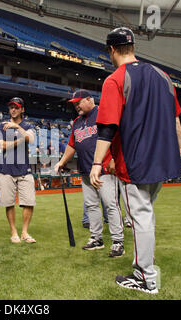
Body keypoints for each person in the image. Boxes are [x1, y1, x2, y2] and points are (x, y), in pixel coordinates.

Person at [89, 27, 181, 294]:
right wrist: (180, 151)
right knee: (146, 216)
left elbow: (108, 127)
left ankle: (147, 277)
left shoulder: (115, 79)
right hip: (162, 160)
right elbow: (175, 120)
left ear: (111, 50)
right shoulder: (163, 76)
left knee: (141, 218)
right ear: (132, 46)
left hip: (134, 161)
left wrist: (97, 163)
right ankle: (143, 267)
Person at [54, 89, 124, 257]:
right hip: (86, 170)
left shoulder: (103, 113)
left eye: (79, 102)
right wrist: (62, 162)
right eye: (74, 104)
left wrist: (115, 158)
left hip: (105, 169)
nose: (76, 106)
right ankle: (96, 238)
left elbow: (118, 136)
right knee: (92, 206)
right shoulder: (77, 122)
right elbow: (72, 145)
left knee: (111, 204)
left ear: (89, 99)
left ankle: (118, 241)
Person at [0, 97, 36, 244]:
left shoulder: (26, 125)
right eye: (11, 107)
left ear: (22, 110)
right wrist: (20, 140)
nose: (13, 110)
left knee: (29, 202)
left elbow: (31, 139)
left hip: (24, 169)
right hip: (6, 169)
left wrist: (17, 128)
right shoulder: (2, 125)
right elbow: (2, 146)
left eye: (16, 107)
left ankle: (25, 232)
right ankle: (13, 232)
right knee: (9, 203)